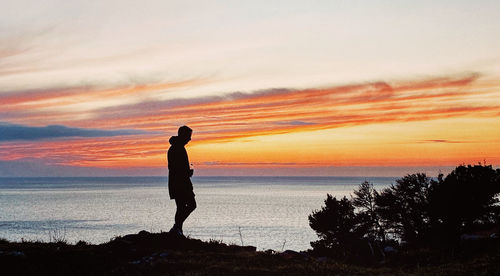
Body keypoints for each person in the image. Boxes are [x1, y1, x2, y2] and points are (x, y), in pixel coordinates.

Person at [167, 125, 196, 237]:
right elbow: (174, 168)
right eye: (188, 136)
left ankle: (178, 229)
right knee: (189, 205)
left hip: (179, 183)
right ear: (183, 135)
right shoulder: (176, 148)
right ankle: (177, 227)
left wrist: (186, 172)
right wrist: (187, 173)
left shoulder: (177, 147)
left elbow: (176, 168)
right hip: (180, 184)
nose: (190, 139)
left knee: (182, 207)